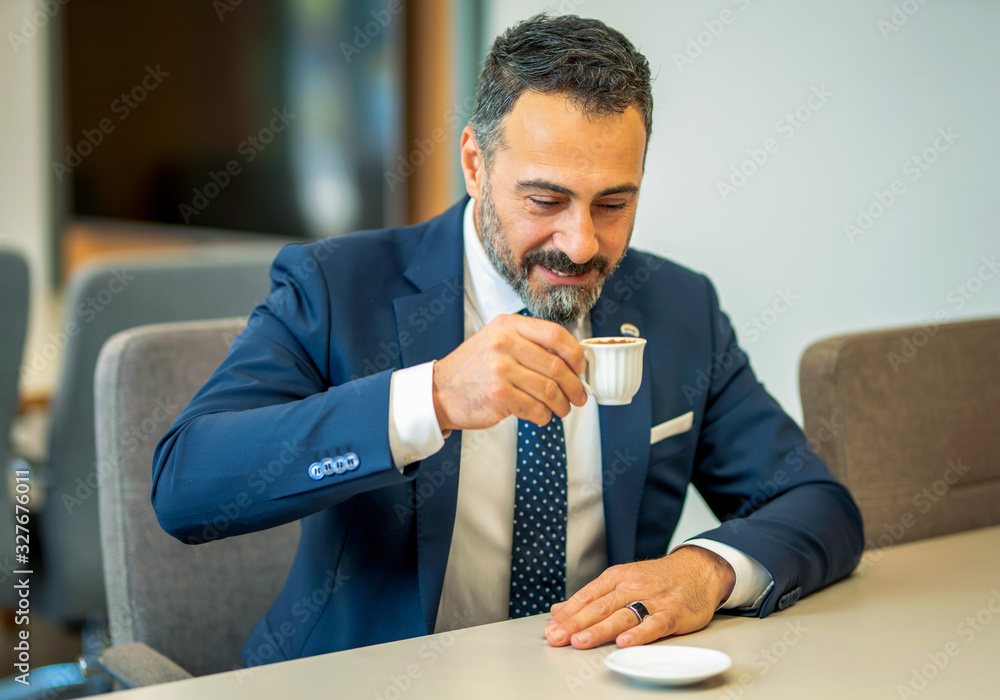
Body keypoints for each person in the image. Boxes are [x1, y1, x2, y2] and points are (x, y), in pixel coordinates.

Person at [152, 13, 863, 666]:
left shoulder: (680, 307)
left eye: (613, 203)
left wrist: (704, 571)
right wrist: (428, 399)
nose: (581, 244)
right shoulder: (339, 286)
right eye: (545, 201)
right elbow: (186, 486)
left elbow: (817, 505)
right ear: (473, 164)